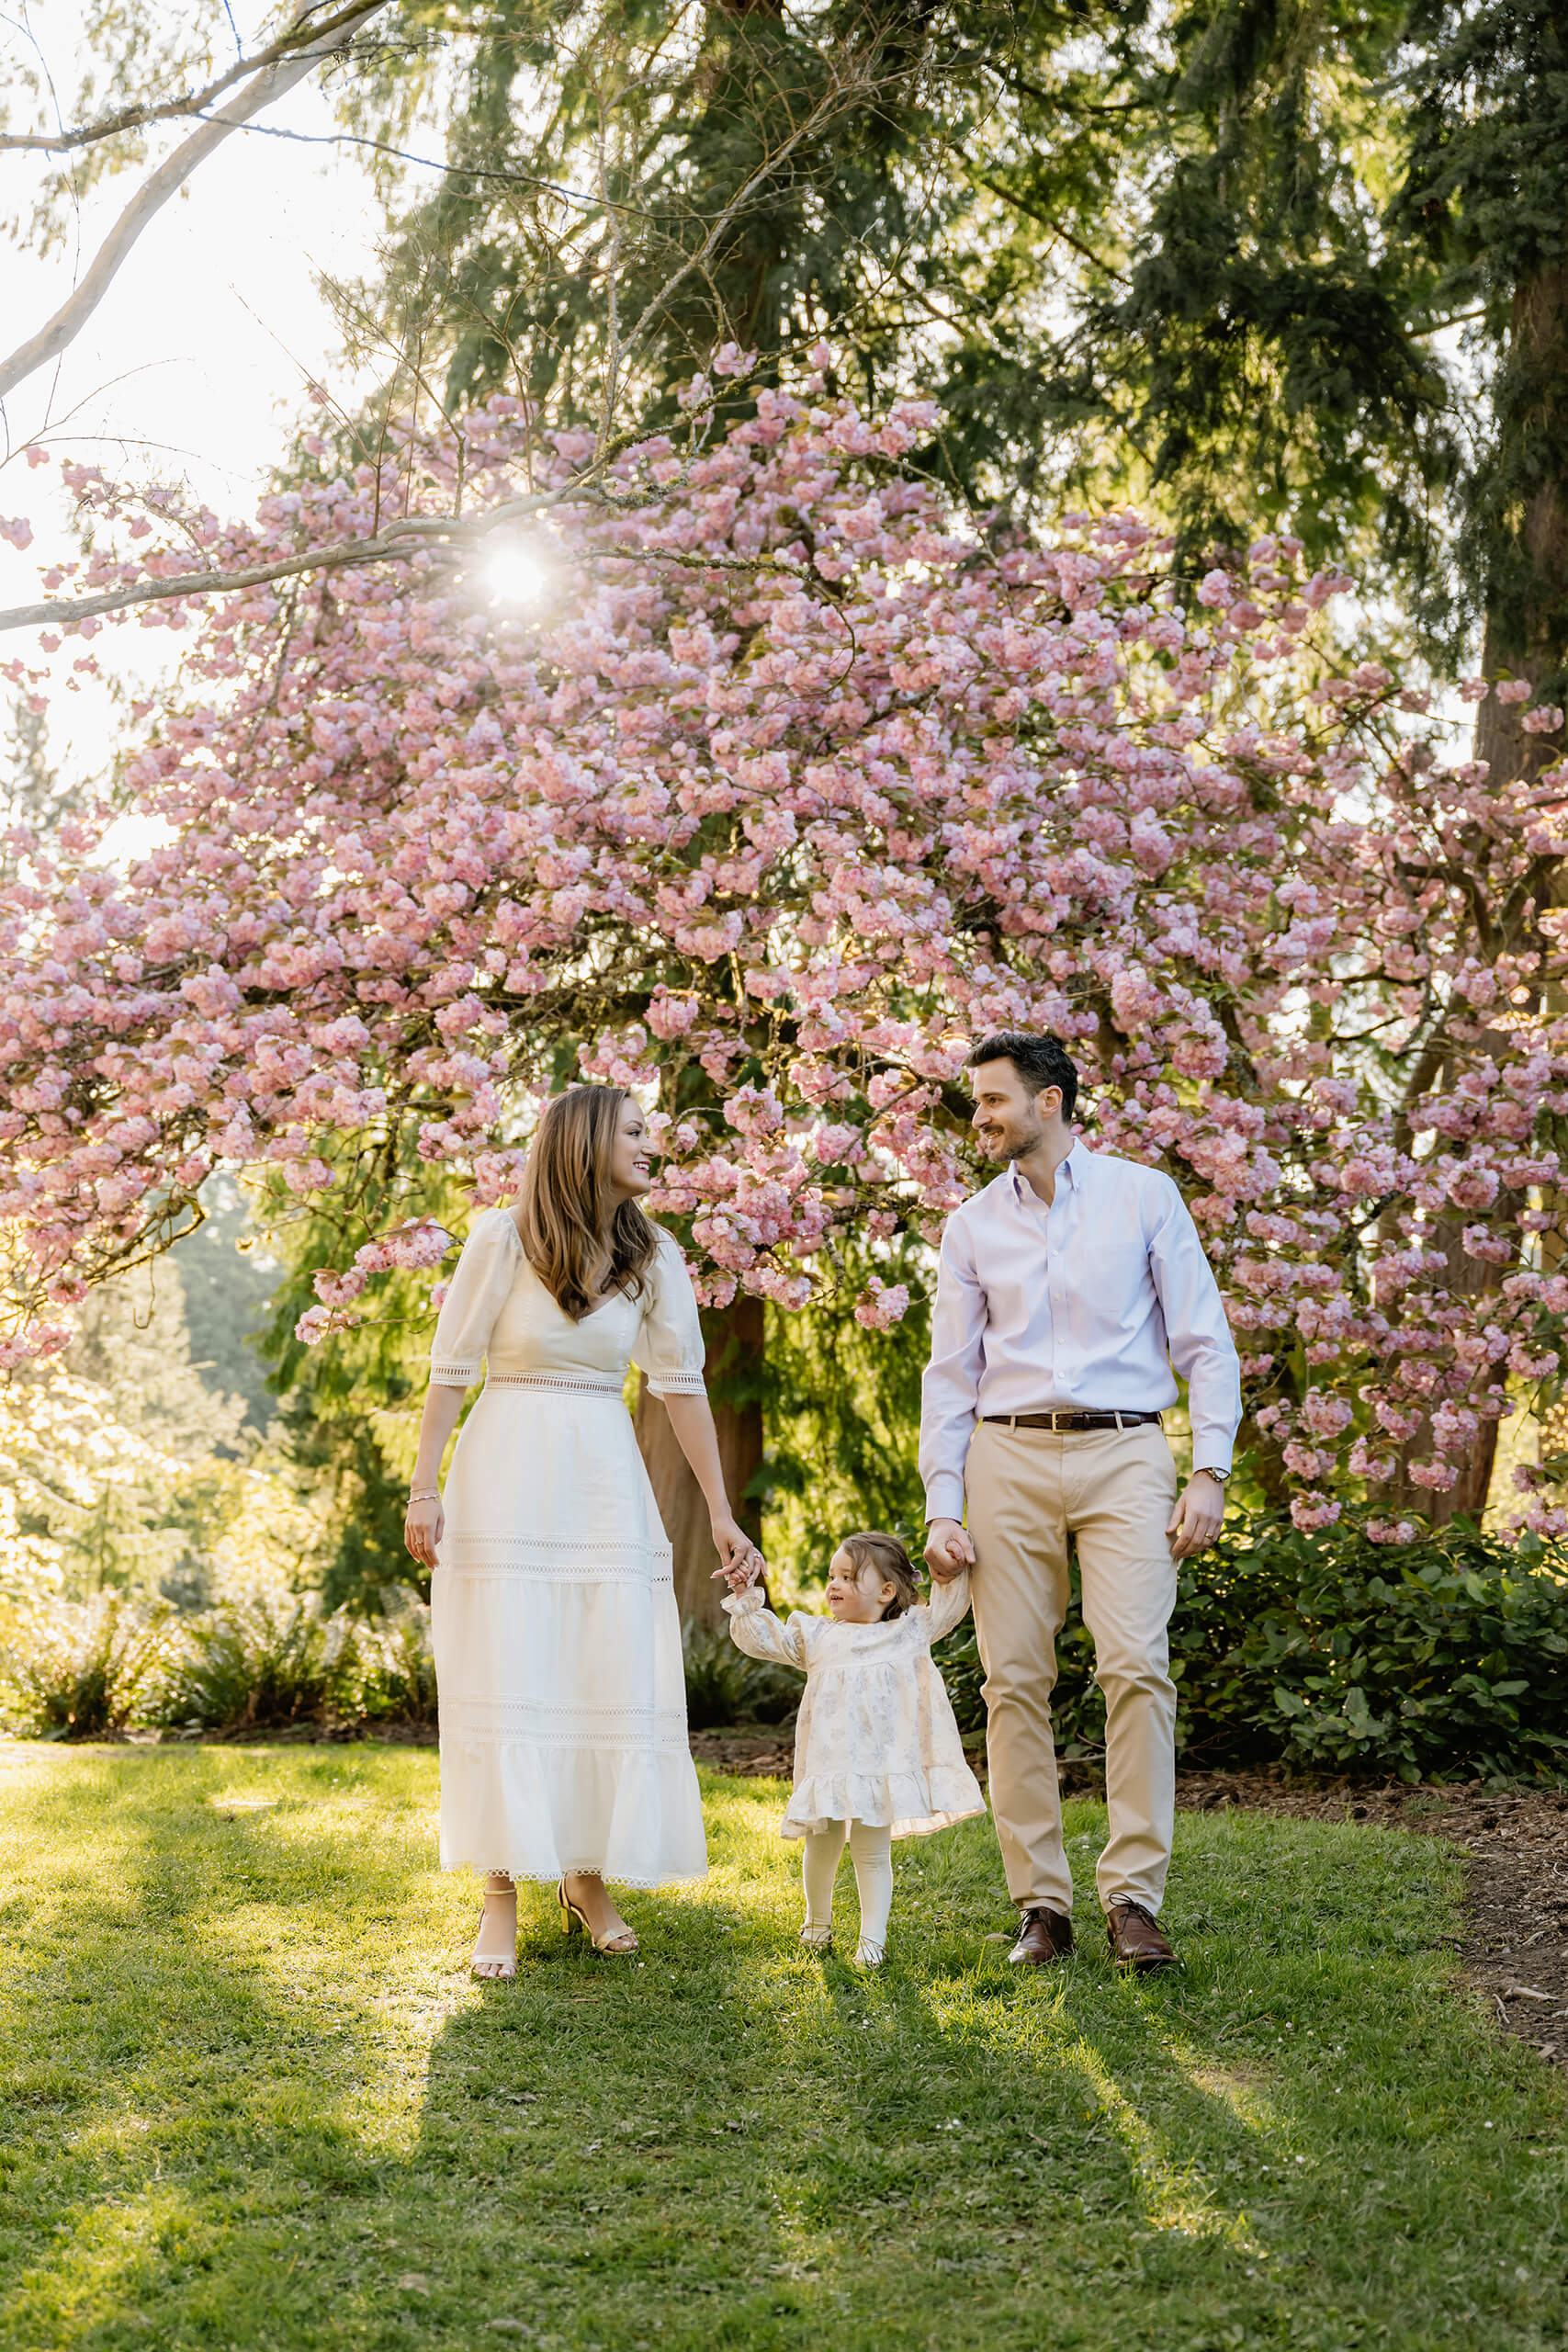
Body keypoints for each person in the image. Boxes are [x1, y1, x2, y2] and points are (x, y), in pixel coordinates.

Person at [403, 1084, 761, 1978]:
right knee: (509, 1664)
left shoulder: (656, 1257)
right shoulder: (501, 1238)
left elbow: (681, 1387)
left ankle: (587, 1877)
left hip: (604, 1473)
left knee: (601, 1663)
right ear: (587, 1140)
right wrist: (423, 1488)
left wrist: (720, 1512)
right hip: (506, 1472)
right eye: (636, 1131)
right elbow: (450, 1370)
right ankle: (498, 1891)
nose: (653, 1144)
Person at [920, 1032, 1241, 1973]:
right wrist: (945, 1502)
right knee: (1012, 1681)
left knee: (1137, 1665)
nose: (978, 1116)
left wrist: (1210, 1470)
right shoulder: (972, 1224)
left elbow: (1205, 1341)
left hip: (1127, 1450)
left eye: (992, 1099)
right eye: (976, 1101)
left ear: (1051, 1101)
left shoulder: (1145, 1196)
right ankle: (1042, 1908)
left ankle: (1134, 1898)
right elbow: (950, 1376)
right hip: (1004, 1458)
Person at [719, 1530, 984, 1967]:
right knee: (821, 1846)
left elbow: (952, 1604)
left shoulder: (909, 1631)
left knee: (873, 1852)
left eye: (847, 1577)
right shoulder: (817, 1635)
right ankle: (816, 1923)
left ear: (886, 1591)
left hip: (880, 1771)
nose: (834, 1585)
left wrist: (950, 1559)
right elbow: (761, 1640)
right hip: (830, 1766)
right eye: (832, 1576)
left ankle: (871, 1941)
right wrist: (747, 1595)